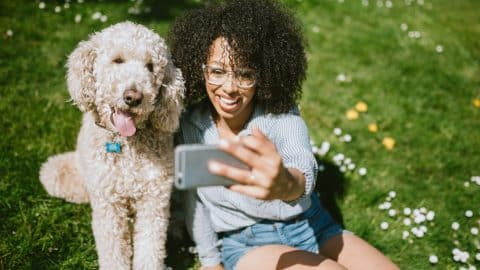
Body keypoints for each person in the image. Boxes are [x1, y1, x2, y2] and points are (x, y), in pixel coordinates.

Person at [168, 0, 400, 269]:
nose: (229, 88)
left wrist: (285, 186)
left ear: (264, 73)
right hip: (249, 242)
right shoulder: (189, 125)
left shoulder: (281, 116)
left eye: (245, 74)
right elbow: (194, 200)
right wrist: (210, 262)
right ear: (201, 68)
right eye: (217, 72)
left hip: (313, 226)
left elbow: (303, 166)